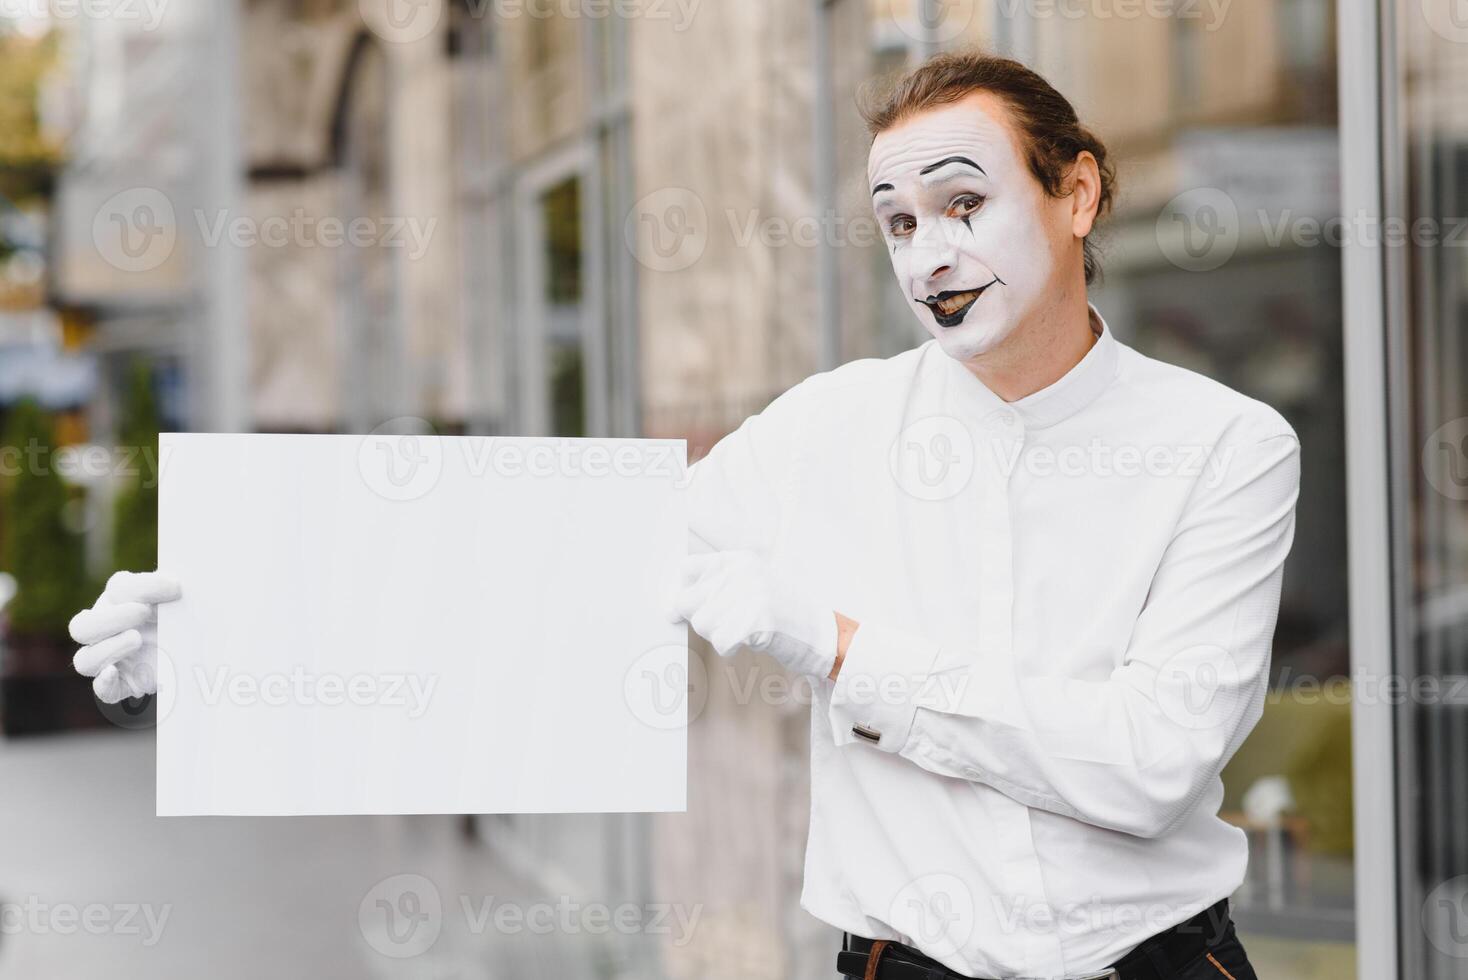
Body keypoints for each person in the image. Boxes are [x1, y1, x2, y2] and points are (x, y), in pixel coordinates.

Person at [73, 52, 1297, 980]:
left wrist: (834, 647)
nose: (927, 251)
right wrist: (218, 647)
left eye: (961, 201)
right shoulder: (827, 427)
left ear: (1075, 191)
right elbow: (543, 579)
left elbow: (1144, 765)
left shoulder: (1227, 446)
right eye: (897, 222)